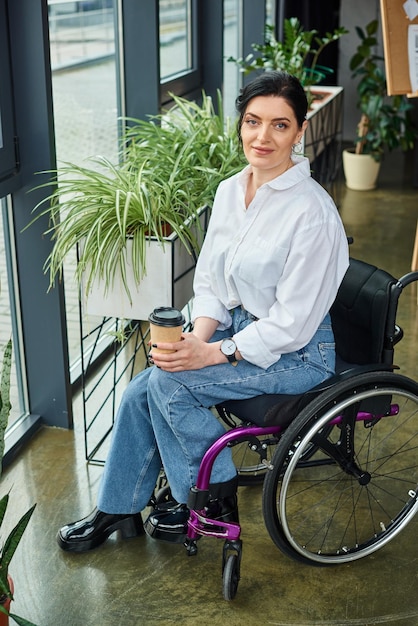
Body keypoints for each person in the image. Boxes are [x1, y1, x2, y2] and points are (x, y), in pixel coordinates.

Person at [57, 71, 349, 552]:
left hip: (297, 352)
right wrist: (196, 337)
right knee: (143, 386)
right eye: (253, 121)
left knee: (168, 386)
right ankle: (118, 509)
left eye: (280, 125)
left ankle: (210, 497)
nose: (262, 136)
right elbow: (212, 280)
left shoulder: (312, 213)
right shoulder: (232, 190)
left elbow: (292, 325)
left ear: (300, 131)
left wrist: (215, 354)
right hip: (238, 327)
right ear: (240, 124)